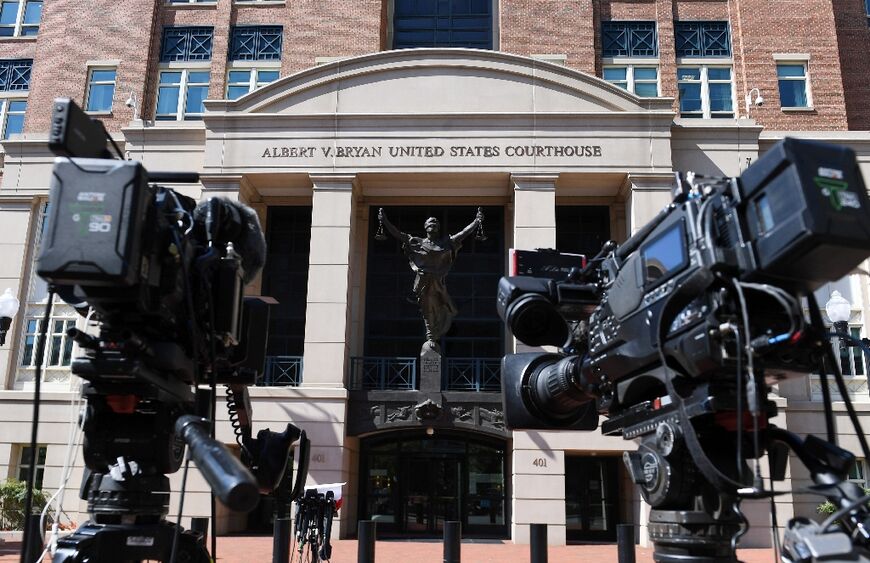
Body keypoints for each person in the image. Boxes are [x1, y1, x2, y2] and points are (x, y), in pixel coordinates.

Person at [378, 208, 483, 351]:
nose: (432, 224)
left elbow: (463, 234)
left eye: (435, 223)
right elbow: (398, 235)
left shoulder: (445, 243)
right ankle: (431, 335)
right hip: (423, 283)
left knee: (442, 309)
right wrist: (385, 221)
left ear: (438, 228)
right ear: (425, 228)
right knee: (427, 308)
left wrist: (476, 222)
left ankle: (434, 333)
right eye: (430, 223)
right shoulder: (417, 242)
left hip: (438, 283)